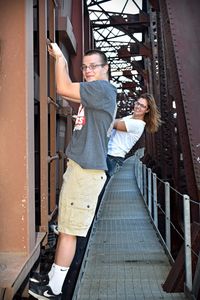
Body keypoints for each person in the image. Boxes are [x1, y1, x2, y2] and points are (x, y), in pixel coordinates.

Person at [28, 44, 117, 299]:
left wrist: (60, 59)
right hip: (81, 169)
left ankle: (54, 290)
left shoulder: (103, 89)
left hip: (86, 172)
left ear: (105, 68)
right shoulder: (97, 92)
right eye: (85, 67)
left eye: (93, 66)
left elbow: (63, 88)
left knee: (68, 231)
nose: (88, 71)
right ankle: (53, 279)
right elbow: (70, 97)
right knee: (67, 228)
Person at [106, 93, 162, 178]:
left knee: (98, 188)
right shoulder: (129, 118)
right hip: (109, 155)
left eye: (142, 106)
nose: (138, 107)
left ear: (147, 110)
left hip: (113, 158)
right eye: (138, 103)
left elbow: (111, 123)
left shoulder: (138, 125)